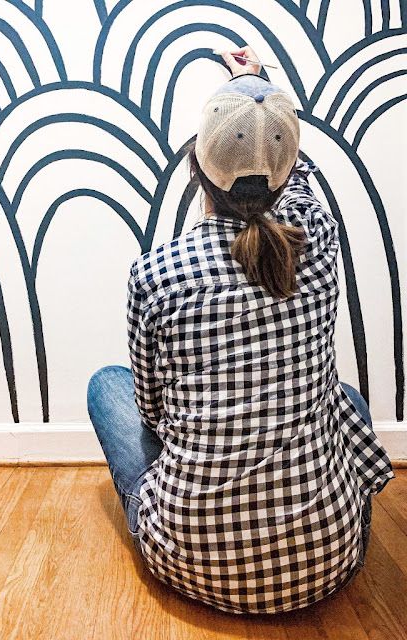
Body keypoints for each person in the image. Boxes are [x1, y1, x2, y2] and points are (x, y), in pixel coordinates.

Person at [87, 46, 395, 614]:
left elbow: (152, 416)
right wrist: (258, 90)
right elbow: (293, 172)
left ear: (196, 169)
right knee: (344, 398)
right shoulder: (318, 238)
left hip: (192, 564)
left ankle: (184, 519)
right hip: (329, 559)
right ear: (286, 173)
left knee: (107, 384)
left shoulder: (155, 273)